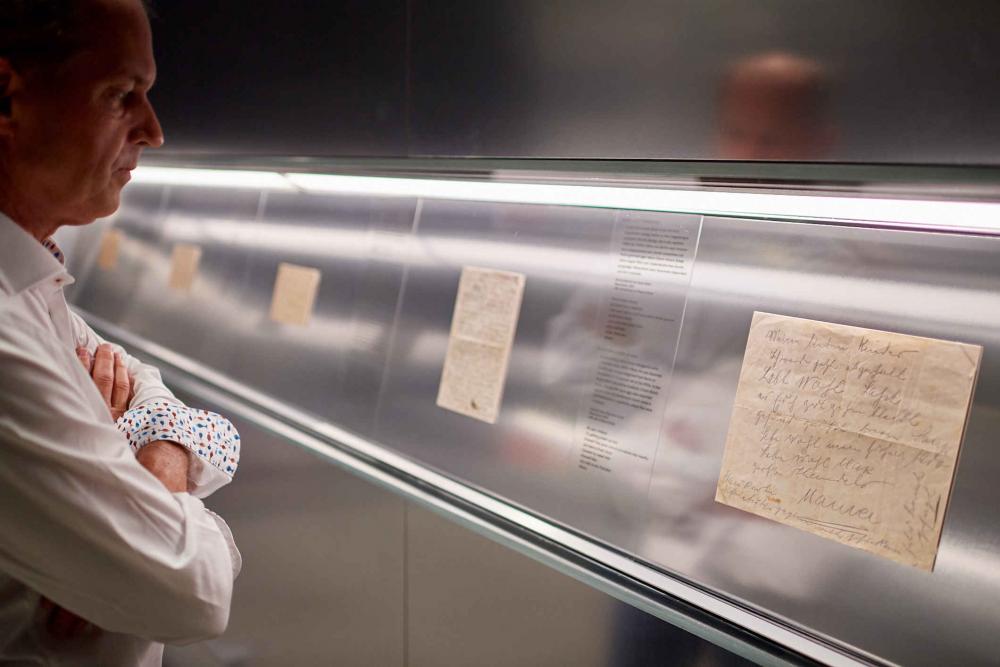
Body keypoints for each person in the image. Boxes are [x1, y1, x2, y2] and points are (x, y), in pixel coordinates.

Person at [0, 1, 242, 664]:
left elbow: (149, 387)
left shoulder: (31, 281)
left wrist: (153, 454)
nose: (154, 129)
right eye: (120, 95)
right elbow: (193, 590)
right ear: (8, 98)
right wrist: (130, 456)